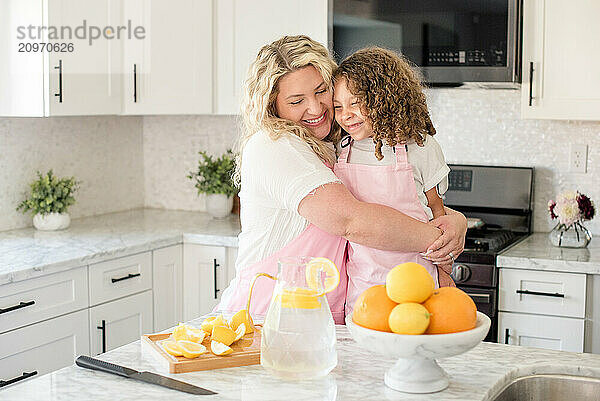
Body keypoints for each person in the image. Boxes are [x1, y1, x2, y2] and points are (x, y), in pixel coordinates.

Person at [216, 35, 466, 324]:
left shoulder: (339, 143)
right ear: (273, 107)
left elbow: (406, 201)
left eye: (322, 91)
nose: (316, 108)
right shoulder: (273, 145)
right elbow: (350, 221)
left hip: (324, 318)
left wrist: (454, 219)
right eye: (297, 100)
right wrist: (442, 239)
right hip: (267, 317)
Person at [332, 47, 456, 316]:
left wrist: (445, 271)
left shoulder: (420, 148)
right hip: (363, 291)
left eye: (355, 103)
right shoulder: (341, 149)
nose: (346, 114)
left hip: (419, 286)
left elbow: (438, 214)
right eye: (338, 106)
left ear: (383, 98)